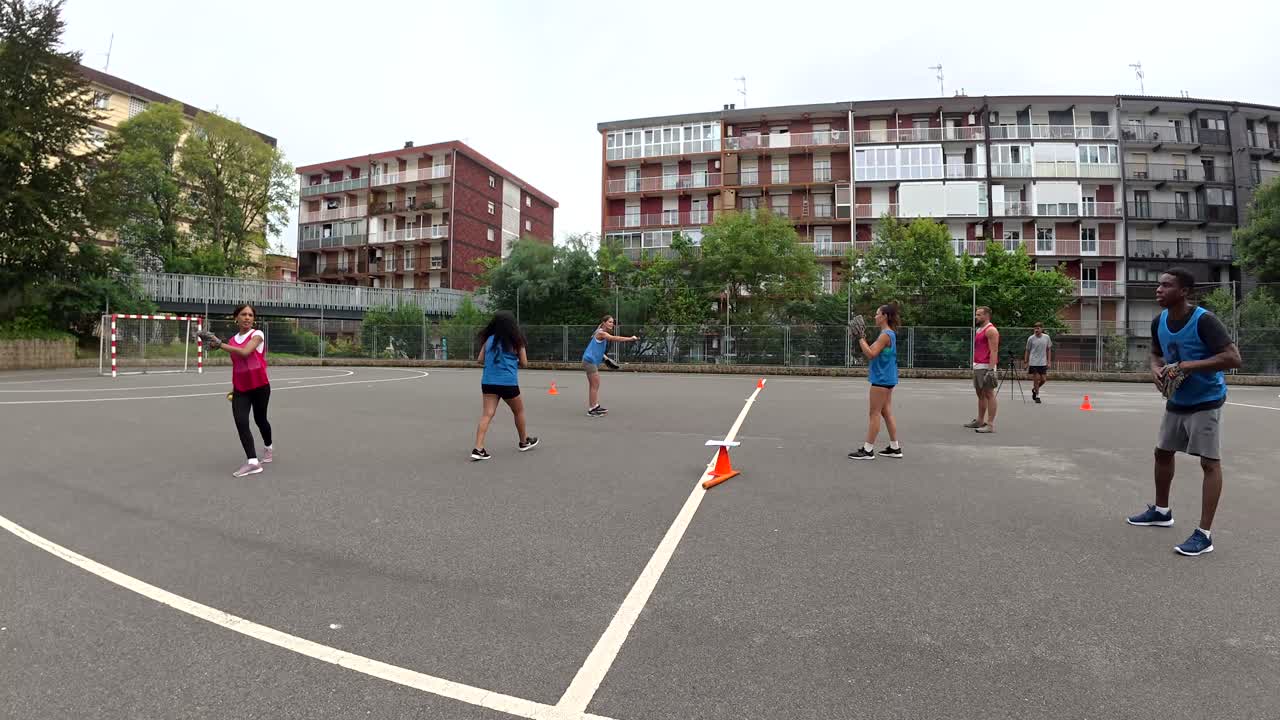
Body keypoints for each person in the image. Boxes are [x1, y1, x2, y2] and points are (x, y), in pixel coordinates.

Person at [1126, 268, 1241, 557]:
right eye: (1159, 285)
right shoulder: (1158, 321)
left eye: (1166, 285)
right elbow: (1155, 353)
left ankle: (1204, 535)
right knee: (1162, 453)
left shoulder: (1205, 320)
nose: (1159, 290)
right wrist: (1154, 369)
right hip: (1178, 399)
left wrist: (1189, 365)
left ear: (1184, 292)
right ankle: (1162, 511)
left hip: (1206, 400)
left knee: (1209, 463)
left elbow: (1233, 357)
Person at [200, 303, 273, 477]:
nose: (247, 317)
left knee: (260, 419)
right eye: (243, 314)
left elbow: (245, 353)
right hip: (241, 388)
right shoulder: (233, 340)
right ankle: (253, 462)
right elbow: (237, 362)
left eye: (250, 315)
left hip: (260, 386)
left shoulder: (257, 334)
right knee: (241, 421)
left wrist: (219, 344)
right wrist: (213, 345)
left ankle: (268, 447)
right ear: (236, 318)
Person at [471, 311, 538, 461]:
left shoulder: (489, 340)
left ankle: (478, 448)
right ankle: (523, 441)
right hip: (508, 382)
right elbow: (525, 363)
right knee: (518, 411)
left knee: (487, 414)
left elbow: (480, 360)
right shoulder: (516, 340)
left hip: (488, 382)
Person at [849, 303, 902, 460]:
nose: (875, 316)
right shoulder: (887, 334)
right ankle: (895, 447)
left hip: (882, 379)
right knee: (886, 412)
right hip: (888, 377)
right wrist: (862, 339)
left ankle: (868, 450)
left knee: (874, 413)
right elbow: (871, 350)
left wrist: (859, 338)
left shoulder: (886, 334)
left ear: (885, 316)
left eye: (877, 314)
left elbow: (871, 354)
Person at [581, 315, 638, 417]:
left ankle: (594, 406)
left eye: (612, 322)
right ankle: (592, 410)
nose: (612, 324)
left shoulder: (599, 331)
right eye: (610, 322)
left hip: (590, 361)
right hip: (589, 361)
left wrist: (606, 359)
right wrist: (630, 338)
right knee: (595, 385)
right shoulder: (601, 333)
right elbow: (614, 338)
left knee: (594, 385)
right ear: (604, 322)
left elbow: (595, 348)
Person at [965, 306, 1000, 433]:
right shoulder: (979, 329)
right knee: (980, 395)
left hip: (986, 366)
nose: (976, 317)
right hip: (978, 365)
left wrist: (991, 370)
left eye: (979, 315)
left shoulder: (991, 330)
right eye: (976, 314)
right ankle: (980, 420)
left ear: (986, 315)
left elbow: (994, 351)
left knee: (989, 394)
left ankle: (990, 424)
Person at [1024, 322, 1052, 404]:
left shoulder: (1046, 337)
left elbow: (1049, 349)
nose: (1036, 330)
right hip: (1033, 362)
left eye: (1038, 328)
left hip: (1043, 362)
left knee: (1043, 379)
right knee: (1036, 379)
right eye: (1035, 328)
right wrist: (1026, 362)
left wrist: (1049, 361)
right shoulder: (1031, 338)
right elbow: (1027, 350)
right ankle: (1037, 396)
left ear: (1042, 329)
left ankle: (1034, 389)